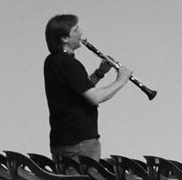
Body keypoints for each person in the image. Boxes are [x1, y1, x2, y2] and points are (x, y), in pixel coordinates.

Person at [43, 14, 132, 162]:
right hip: (80, 142)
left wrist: (99, 73)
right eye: (76, 30)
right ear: (65, 38)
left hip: (61, 139)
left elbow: (78, 90)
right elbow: (95, 97)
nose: (81, 33)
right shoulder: (70, 64)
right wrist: (121, 80)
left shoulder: (52, 60)